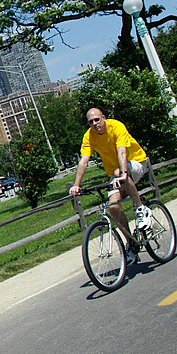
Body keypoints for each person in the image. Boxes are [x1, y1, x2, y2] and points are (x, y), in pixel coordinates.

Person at [69, 108, 151, 264]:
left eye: (97, 120)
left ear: (104, 118)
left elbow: (122, 152)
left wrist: (123, 173)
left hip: (137, 162)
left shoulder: (116, 126)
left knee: (120, 172)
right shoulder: (89, 136)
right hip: (116, 172)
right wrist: (76, 185)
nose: (94, 124)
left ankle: (141, 208)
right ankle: (131, 244)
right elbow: (84, 161)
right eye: (91, 121)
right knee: (113, 208)